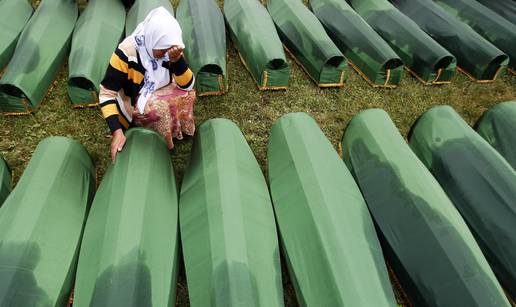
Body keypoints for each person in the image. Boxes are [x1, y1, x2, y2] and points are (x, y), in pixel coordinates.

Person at [99, 7, 196, 161]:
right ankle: (156, 139)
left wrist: (177, 60)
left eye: (169, 49)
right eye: (162, 50)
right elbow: (106, 93)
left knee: (187, 94)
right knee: (156, 108)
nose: (166, 54)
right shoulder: (125, 53)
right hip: (133, 98)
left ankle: (175, 129)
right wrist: (116, 132)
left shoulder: (169, 48)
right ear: (152, 39)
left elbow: (187, 84)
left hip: (158, 87)